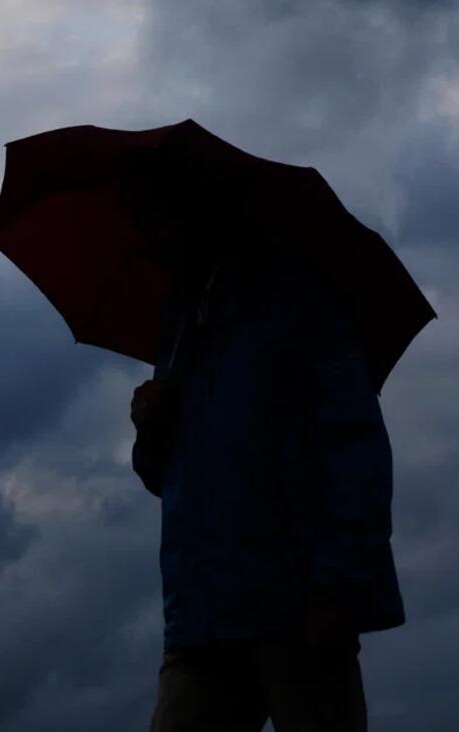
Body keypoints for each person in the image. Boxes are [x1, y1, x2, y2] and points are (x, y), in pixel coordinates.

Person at [130, 219, 404, 731]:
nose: (147, 238)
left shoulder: (298, 304)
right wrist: (151, 435)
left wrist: (336, 586)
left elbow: (356, 448)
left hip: (299, 608)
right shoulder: (180, 326)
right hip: (201, 614)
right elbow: (176, 476)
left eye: (158, 221)